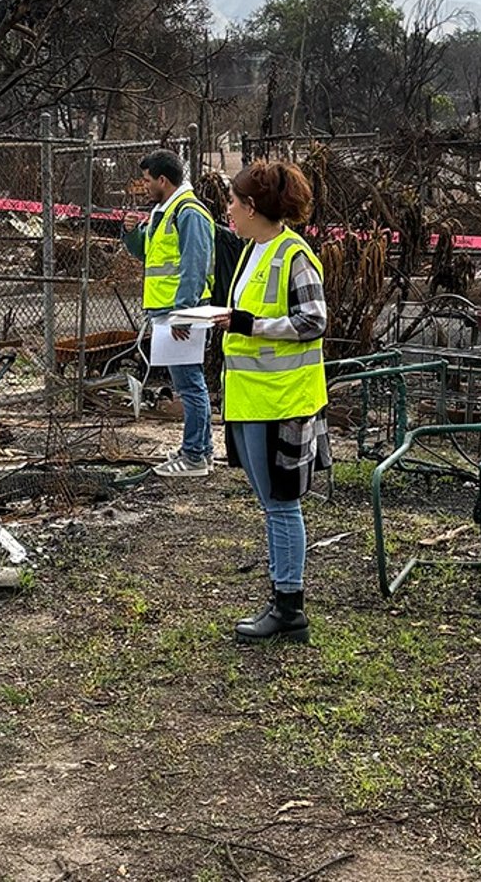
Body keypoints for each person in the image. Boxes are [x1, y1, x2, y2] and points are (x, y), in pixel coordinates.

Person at [210, 161, 330, 645]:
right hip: (250, 399)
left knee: (282, 506)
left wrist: (249, 325)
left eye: (234, 202)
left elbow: (313, 320)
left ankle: (289, 608)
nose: (229, 210)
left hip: (281, 401)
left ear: (252, 207)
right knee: (272, 504)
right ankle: (283, 600)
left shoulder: (292, 255)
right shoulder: (252, 252)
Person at [121, 149, 217, 478]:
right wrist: (131, 232)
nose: (144, 186)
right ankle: (200, 451)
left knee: (190, 385)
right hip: (169, 312)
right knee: (187, 383)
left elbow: (195, 265)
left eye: (147, 180)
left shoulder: (188, 212)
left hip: (180, 312)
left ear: (163, 180)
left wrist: (183, 312)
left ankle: (194, 456)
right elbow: (145, 253)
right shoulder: (166, 210)